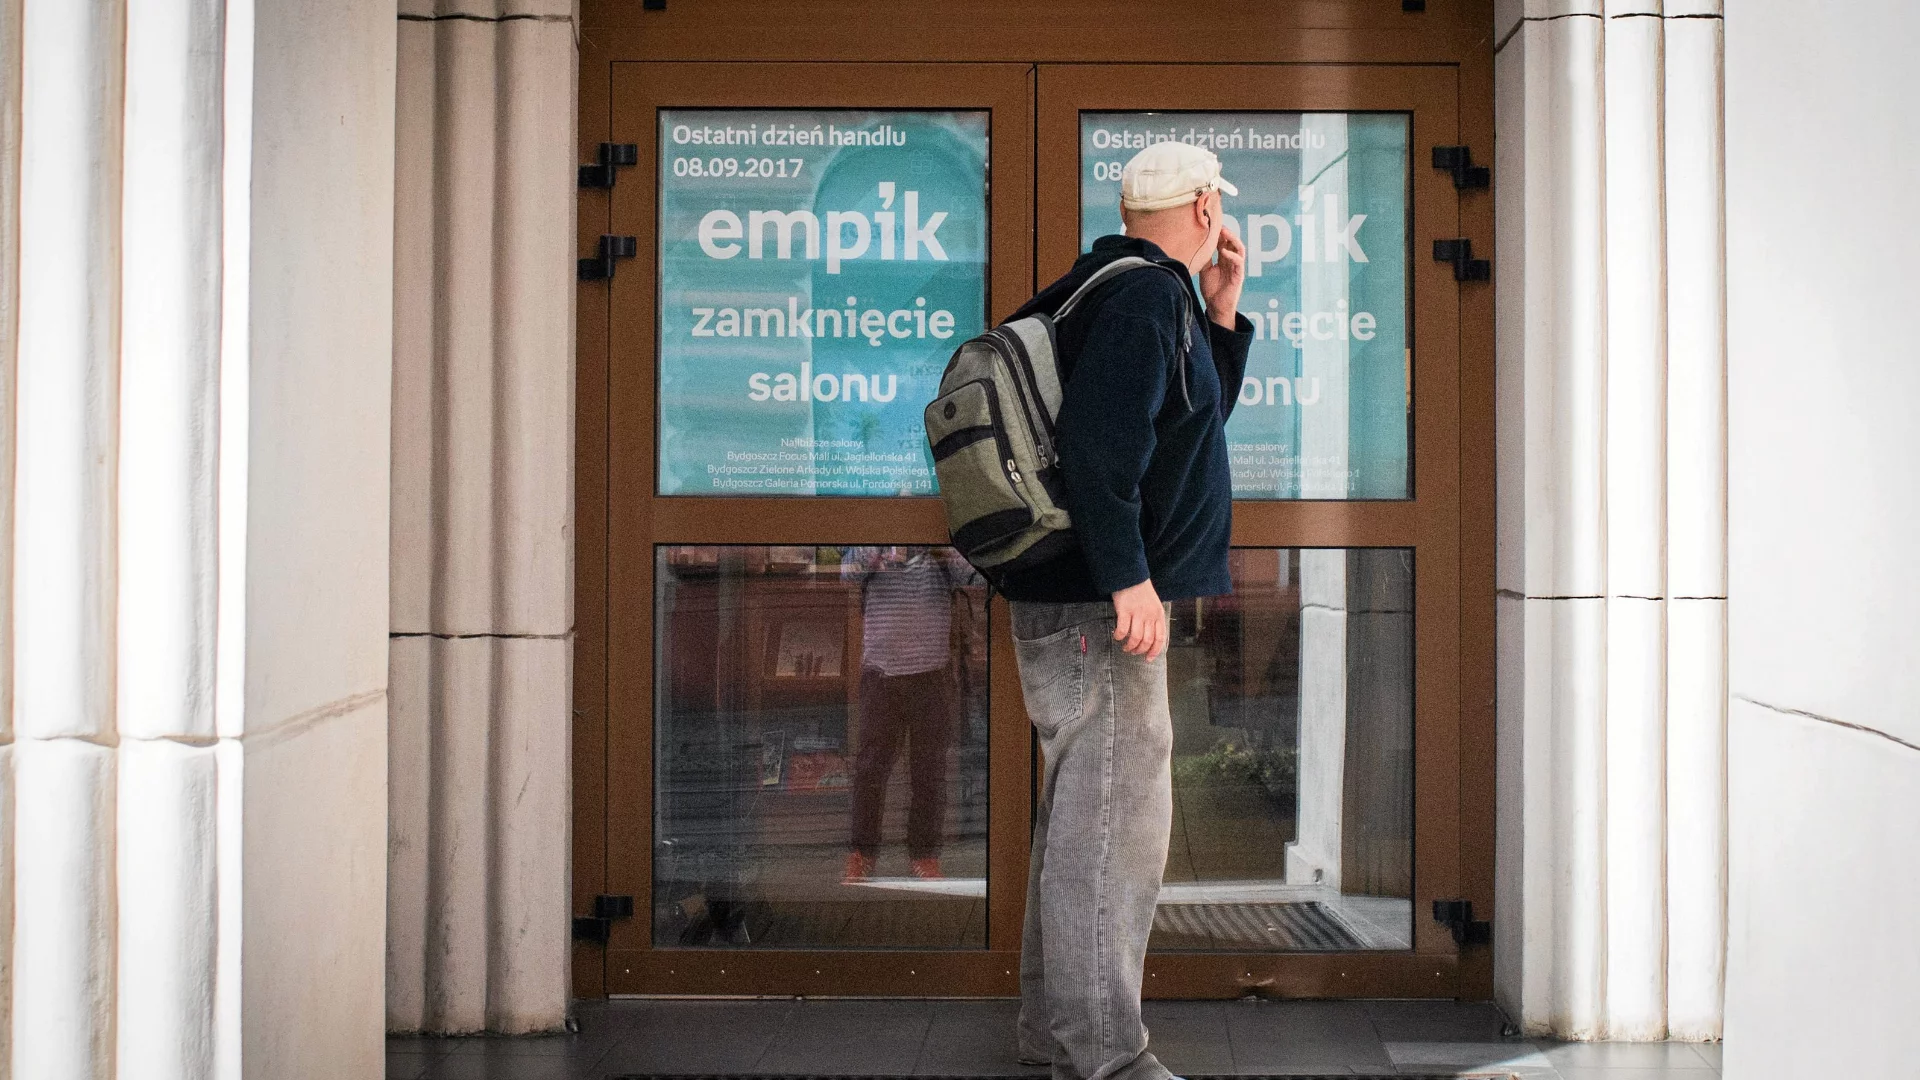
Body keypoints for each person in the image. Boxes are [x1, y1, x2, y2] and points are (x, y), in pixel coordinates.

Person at [1000, 141, 1251, 1080]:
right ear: (1200, 205)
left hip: (1077, 599)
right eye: (1216, 208)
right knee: (1112, 831)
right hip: (1097, 608)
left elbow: (1186, 432)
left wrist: (1222, 314)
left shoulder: (1112, 287)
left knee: (1082, 819)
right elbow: (1103, 451)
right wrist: (1129, 580)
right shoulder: (1145, 298)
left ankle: (1053, 1036)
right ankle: (1106, 1057)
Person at [840, 545, 977, 882]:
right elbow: (846, 574)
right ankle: (862, 852)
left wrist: (941, 551)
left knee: (929, 772)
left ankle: (925, 854)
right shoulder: (873, 539)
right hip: (880, 673)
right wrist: (877, 549)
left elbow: (973, 575)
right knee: (870, 769)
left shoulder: (937, 553)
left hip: (932, 674)